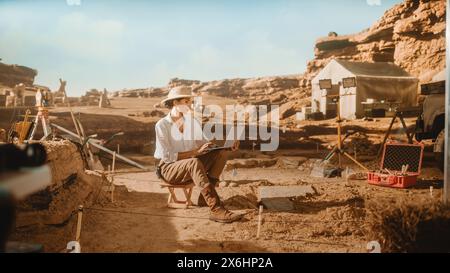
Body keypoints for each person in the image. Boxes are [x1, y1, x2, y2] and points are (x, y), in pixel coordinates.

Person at [154, 86, 242, 223]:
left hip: (190, 164)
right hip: (169, 169)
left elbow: (205, 145)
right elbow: (167, 156)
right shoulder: (162, 125)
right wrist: (195, 153)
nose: (190, 105)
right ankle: (216, 209)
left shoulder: (191, 122)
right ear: (175, 103)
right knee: (193, 162)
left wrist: (226, 147)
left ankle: (203, 199)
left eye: (190, 101)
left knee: (221, 154)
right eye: (186, 101)